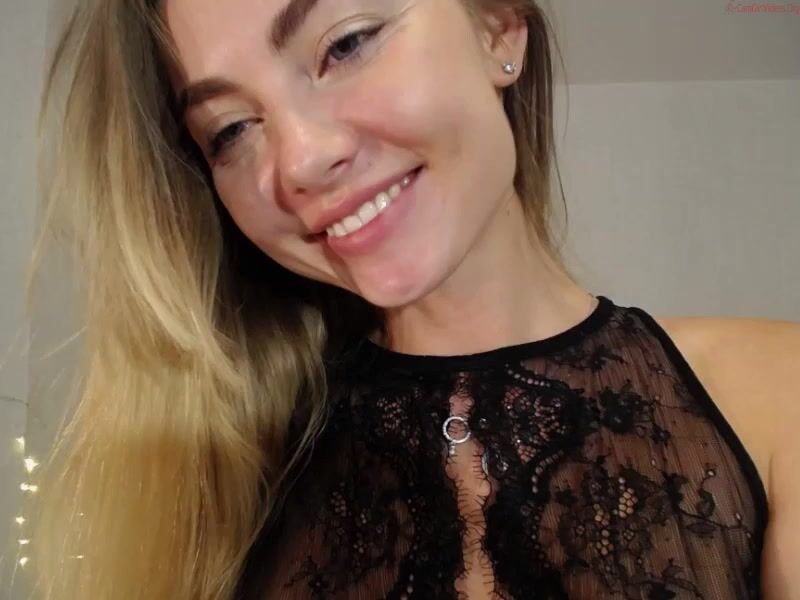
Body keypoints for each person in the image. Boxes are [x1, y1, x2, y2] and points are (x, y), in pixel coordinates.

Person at [28, 0, 799, 598]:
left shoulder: (776, 394)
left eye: (346, 45)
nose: (299, 161)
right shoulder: (223, 473)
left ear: (497, 28)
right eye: (230, 130)